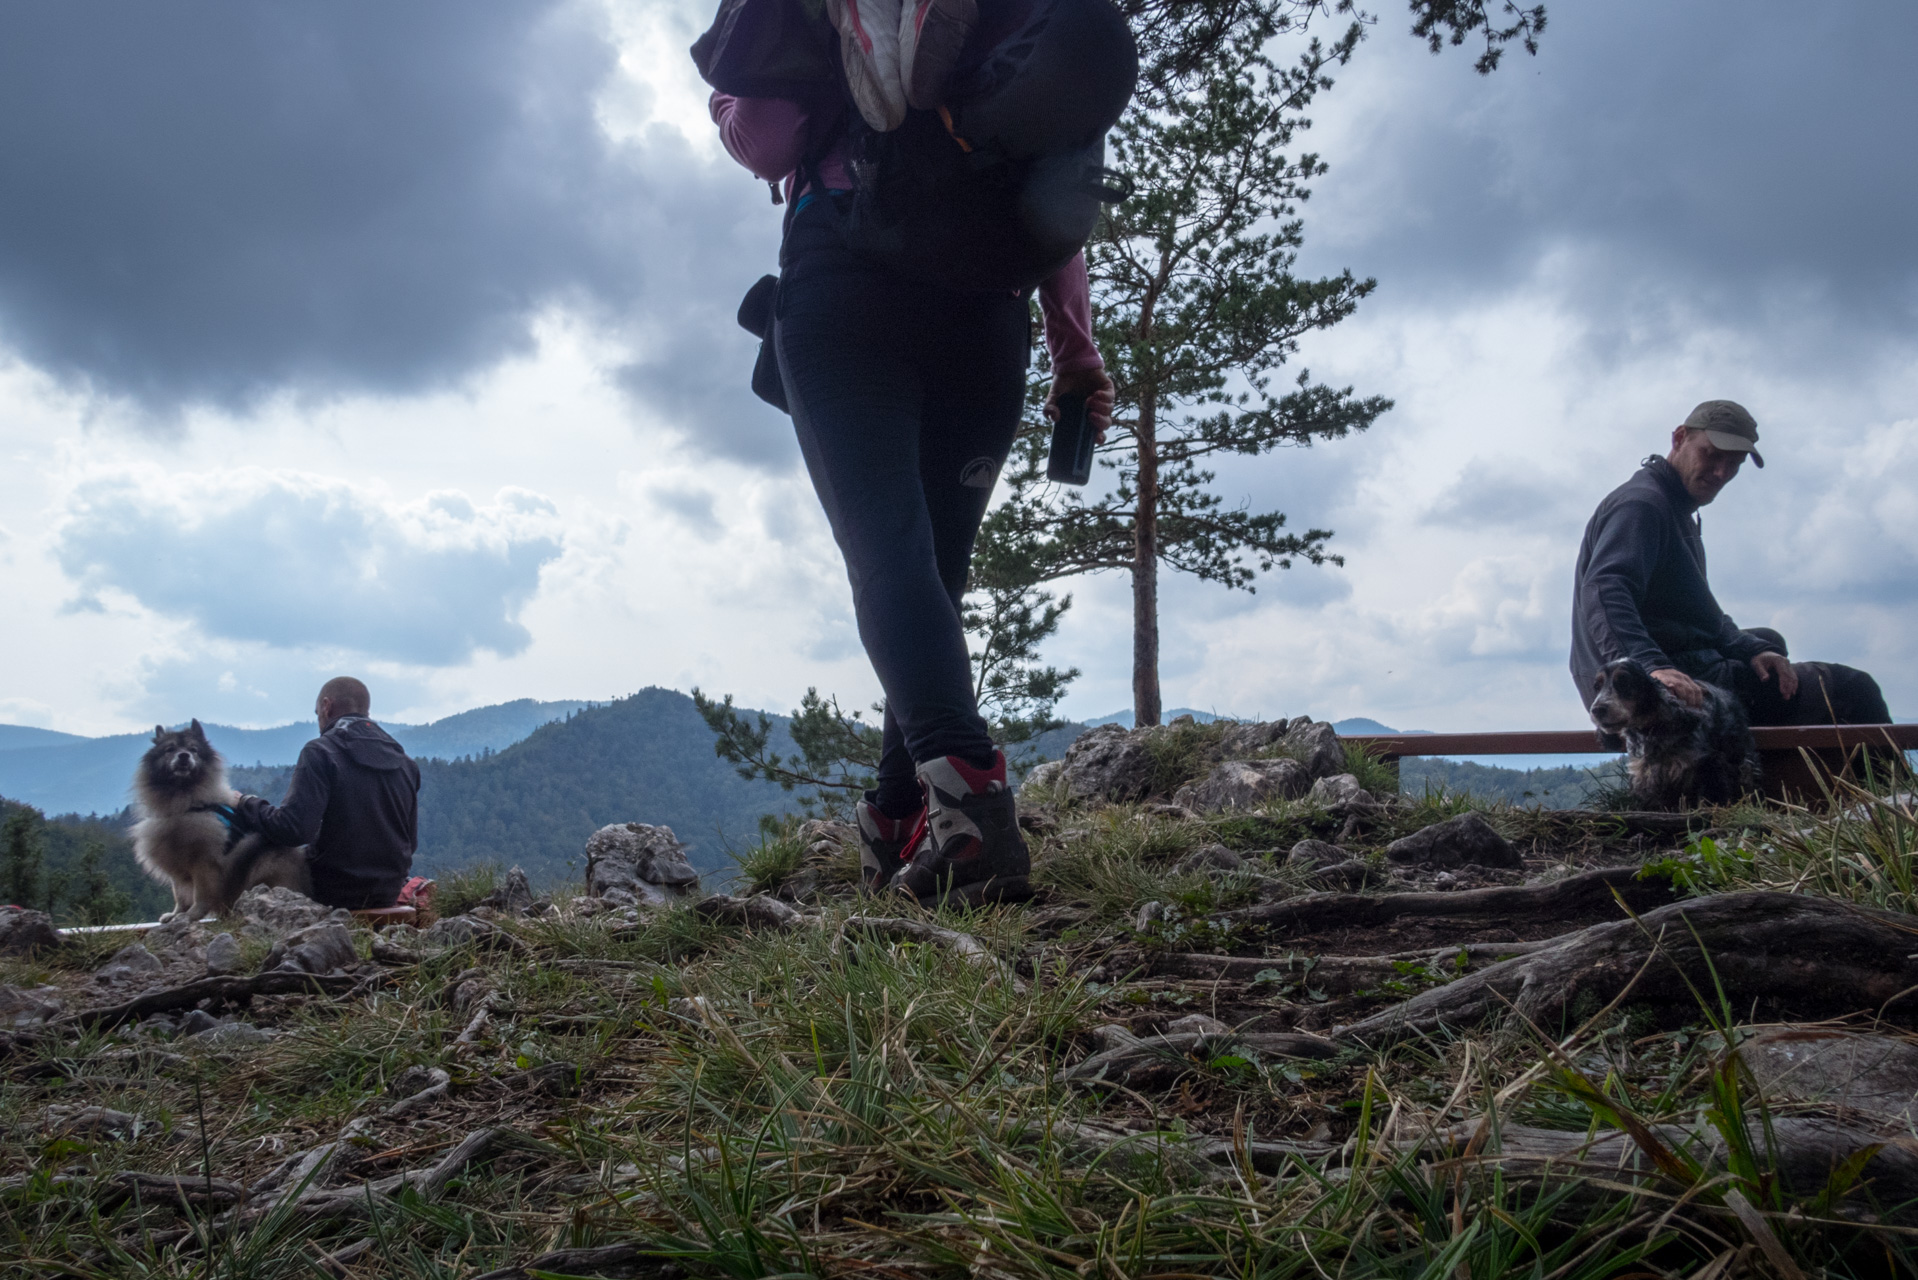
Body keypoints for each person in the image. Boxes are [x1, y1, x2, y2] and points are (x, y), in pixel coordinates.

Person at [710, 66, 1113, 904]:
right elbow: (1056, 203)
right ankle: (899, 821)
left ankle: (973, 826)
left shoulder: (837, 20)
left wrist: (724, 104)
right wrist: (1076, 349)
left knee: (888, 549)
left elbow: (765, 136)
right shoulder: (1019, 35)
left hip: (849, 284)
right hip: (986, 318)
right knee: (936, 569)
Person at [1570, 400, 1890, 732]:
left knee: (1768, 645)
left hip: (1670, 663)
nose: (1722, 472)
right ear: (1679, 438)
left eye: (1734, 463)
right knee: (1854, 687)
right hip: (1642, 687)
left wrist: (1751, 648)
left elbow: (1698, 613)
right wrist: (1652, 668)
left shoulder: (1672, 506)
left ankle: (1749, 773)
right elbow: (1605, 589)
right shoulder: (1643, 507)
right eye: (1711, 454)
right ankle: (1889, 786)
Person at [231, 676, 422, 910]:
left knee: (265, 847)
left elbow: (293, 830)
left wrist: (246, 803)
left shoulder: (321, 752)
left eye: (316, 714)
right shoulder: (406, 763)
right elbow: (410, 843)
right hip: (387, 891)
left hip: (332, 891)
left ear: (326, 706)